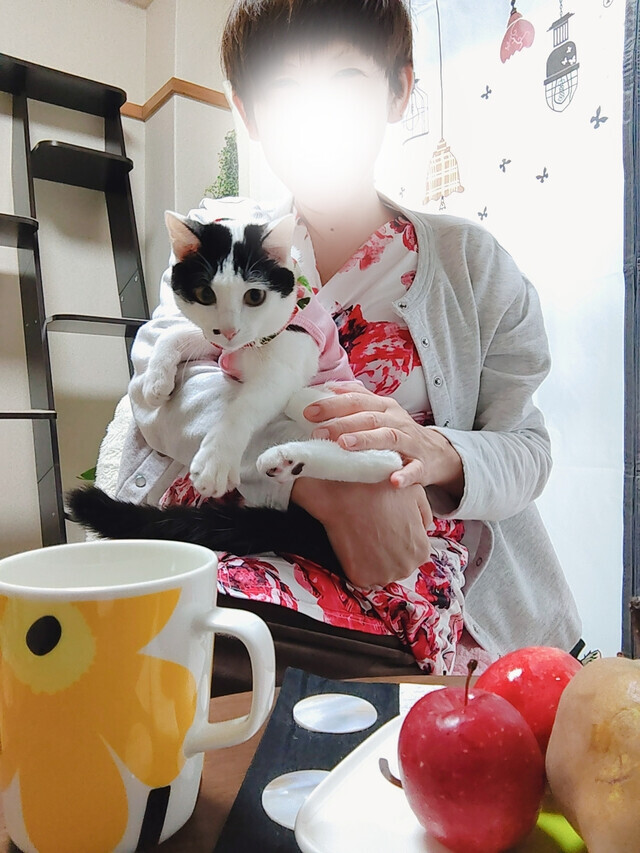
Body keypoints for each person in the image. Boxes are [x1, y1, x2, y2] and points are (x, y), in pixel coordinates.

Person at [115, 0, 582, 691]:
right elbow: (164, 397)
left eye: (346, 80)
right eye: (283, 92)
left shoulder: (470, 265)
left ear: (398, 89)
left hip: (410, 584)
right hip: (239, 562)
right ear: (247, 112)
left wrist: (442, 453)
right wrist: (321, 486)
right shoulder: (218, 241)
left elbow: (527, 449)